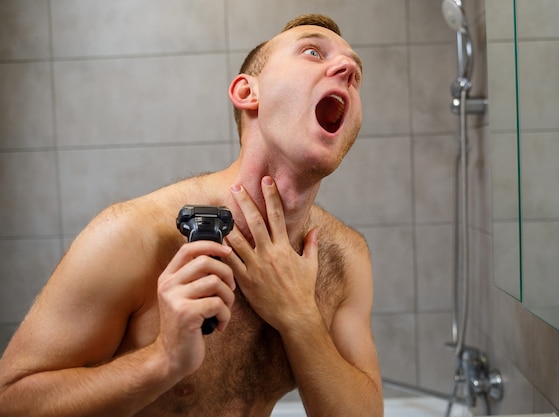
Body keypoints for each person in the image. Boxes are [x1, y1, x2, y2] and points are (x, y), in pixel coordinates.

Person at [0, 14, 383, 417]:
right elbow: (10, 401)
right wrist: (163, 360)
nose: (347, 70)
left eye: (355, 72)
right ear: (247, 92)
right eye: (312, 52)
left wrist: (299, 318)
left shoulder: (345, 258)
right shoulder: (134, 235)